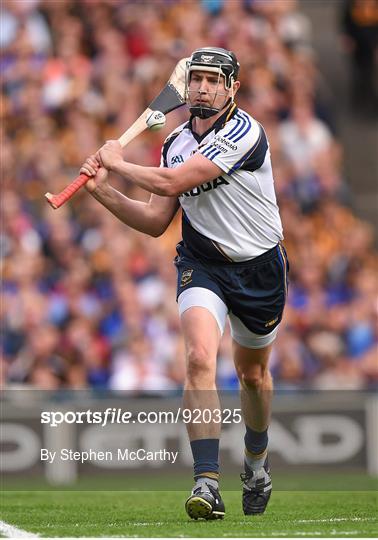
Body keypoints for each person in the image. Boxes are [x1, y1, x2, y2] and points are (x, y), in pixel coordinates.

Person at [80, 47, 289, 520]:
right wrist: (103, 191)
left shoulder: (244, 132)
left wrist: (116, 161)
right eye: (196, 78)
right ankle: (207, 482)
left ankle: (256, 462)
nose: (202, 87)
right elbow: (156, 220)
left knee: (252, 375)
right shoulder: (172, 141)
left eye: (214, 80)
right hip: (203, 263)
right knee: (198, 357)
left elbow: (175, 182)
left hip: (259, 268)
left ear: (232, 88)